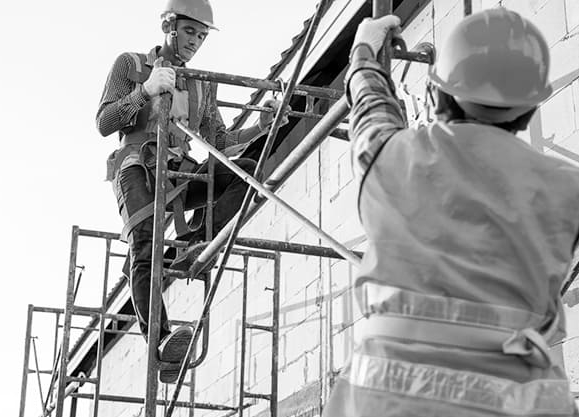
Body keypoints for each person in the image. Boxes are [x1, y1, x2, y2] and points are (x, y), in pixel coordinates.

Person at [323, 9, 579, 417]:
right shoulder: (568, 188)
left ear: (439, 92)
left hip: (388, 400)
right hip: (519, 400)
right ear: (530, 106)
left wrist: (364, 53)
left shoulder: (390, 157)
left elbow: (371, 108)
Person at [95, 0, 288, 384]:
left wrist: (264, 127)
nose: (195, 42)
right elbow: (104, 121)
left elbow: (219, 138)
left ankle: (198, 243)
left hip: (180, 170)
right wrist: (145, 92)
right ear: (169, 25)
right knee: (145, 249)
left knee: (245, 171)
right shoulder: (131, 65)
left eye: (201, 36)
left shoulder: (202, 81)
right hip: (137, 165)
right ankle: (162, 341)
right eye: (189, 32)